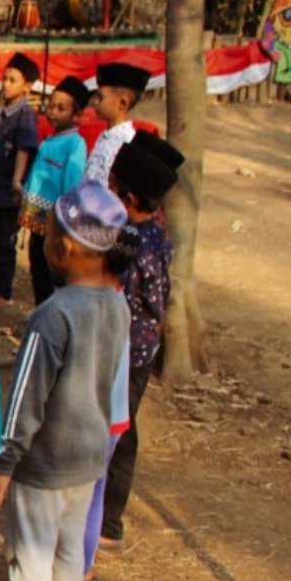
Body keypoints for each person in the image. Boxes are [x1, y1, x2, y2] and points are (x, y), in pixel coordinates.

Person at [0, 181, 129, 581]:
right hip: (90, 456)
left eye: (50, 233)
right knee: (68, 547)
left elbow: (26, 399)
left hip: (44, 463)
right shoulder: (118, 306)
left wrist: (3, 466)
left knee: (29, 555)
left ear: (67, 248)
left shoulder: (51, 317)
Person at [99, 134, 182, 548]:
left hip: (129, 354)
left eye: (112, 189)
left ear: (129, 197)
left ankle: (109, 523)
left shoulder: (135, 242)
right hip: (134, 349)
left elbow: (149, 298)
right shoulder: (151, 233)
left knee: (121, 430)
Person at [82, 225, 139, 581]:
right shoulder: (120, 303)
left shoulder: (98, 308)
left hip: (94, 418)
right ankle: (84, 569)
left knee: (81, 503)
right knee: (94, 497)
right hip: (114, 418)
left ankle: (75, 572)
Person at [0, 53, 41, 307]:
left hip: (7, 193)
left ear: (27, 86)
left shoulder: (25, 115)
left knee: (4, 243)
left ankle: (2, 292)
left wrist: (16, 182)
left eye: (12, 80)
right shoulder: (0, 114)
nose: (5, 84)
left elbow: (24, 149)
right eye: (4, 78)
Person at [19, 76, 90, 305]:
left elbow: (71, 186)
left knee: (51, 274)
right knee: (37, 268)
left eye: (61, 108)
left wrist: (64, 222)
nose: (52, 112)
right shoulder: (49, 140)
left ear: (76, 115)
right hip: (38, 224)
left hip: (55, 224)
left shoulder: (75, 145)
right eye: (51, 106)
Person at [84, 62, 150, 183]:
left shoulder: (127, 143)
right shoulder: (104, 135)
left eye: (100, 97)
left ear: (122, 104)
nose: (95, 102)